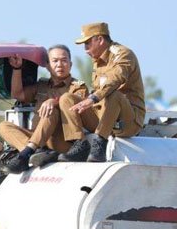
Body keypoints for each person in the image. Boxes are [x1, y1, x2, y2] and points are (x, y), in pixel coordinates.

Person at [0, 45, 88, 173]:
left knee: (51, 111)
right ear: (47, 65)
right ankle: (36, 153)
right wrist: (17, 69)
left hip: (61, 140)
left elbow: (79, 107)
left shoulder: (78, 87)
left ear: (70, 64)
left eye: (64, 60)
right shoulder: (42, 85)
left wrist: (54, 102)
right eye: (55, 61)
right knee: (3, 126)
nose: (60, 64)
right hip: (37, 139)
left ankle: (28, 153)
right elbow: (18, 94)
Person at [58, 22, 146, 163]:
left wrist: (93, 98)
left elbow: (115, 79)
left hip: (127, 121)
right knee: (67, 98)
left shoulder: (123, 54)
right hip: (103, 118)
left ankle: (99, 145)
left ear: (99, 40)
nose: (85, 49)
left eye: (87, 43)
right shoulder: (97, 60)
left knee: (114, 94)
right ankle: (79, 145)